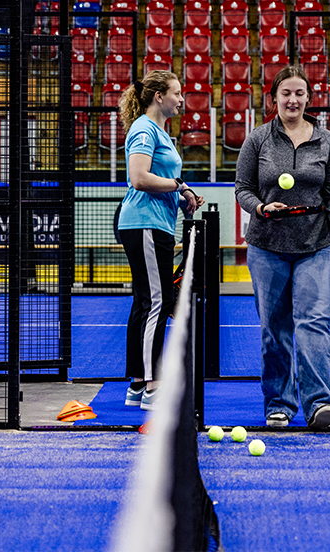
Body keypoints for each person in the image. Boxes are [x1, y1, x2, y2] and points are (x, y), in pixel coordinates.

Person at [234, 65, 330, 429]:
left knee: (313, 323)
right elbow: (242, 188)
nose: (293, 99)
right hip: (267, 245)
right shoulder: (258, 139)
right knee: (275, 329)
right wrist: (259, 207)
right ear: (274, 98)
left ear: (308, 98)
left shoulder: (327, 141)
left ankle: (319, 403)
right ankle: (279, 404)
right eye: (286, 93)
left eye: (299, 93)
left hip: (317, 243)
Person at [117, 71, 204, 411]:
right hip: (145, 224)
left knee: (146, 301)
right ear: (158, 97)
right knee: (157, 300)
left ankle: (138, 384)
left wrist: (181, 198)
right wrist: (180, 186)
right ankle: (153, 385)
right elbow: (139, 178)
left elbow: (158, 179)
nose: (182, 100)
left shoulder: (159, 133)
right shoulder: (143, 128)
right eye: (177, 93)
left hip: (156, 222)